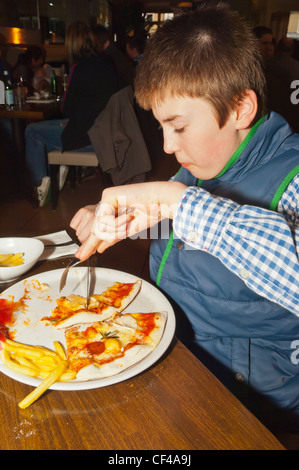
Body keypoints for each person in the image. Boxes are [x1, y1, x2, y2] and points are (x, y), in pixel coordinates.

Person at [70, 2, 299, 431]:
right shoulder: (206, 161)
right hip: (176, 354)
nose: (169, 147)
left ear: (239, 109)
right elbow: (194, 233)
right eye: (161, 128)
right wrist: (136, 215)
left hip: (247, 398)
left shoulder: (293, 175)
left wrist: (175, 201)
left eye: (178, 126)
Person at [25, 21, 121, 207]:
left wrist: (72, 119)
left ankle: (41, 185)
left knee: (32, 131)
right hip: (105, 135)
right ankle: (57, 171)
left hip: (86, 138)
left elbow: (66, 108)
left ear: (72, 44)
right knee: (52, 127)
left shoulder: (79, 68)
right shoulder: (106, 63)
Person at [265, 36, 299, 133]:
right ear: (292, 50)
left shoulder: (267, 64)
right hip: (289, 115)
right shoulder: (296, 68)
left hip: (267, 112)